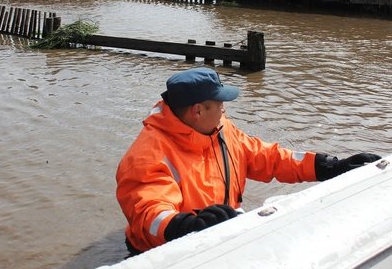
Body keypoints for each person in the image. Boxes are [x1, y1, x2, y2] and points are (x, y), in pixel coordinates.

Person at [115, 67, 381, 255]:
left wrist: (328, 167)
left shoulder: (221, 130)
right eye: (219, 103)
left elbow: (269, 157)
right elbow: (148, 214)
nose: (225, 109)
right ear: (198, 110)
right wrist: (186, 226)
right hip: (167, 253)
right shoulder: (146, 155)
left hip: (218, 234)